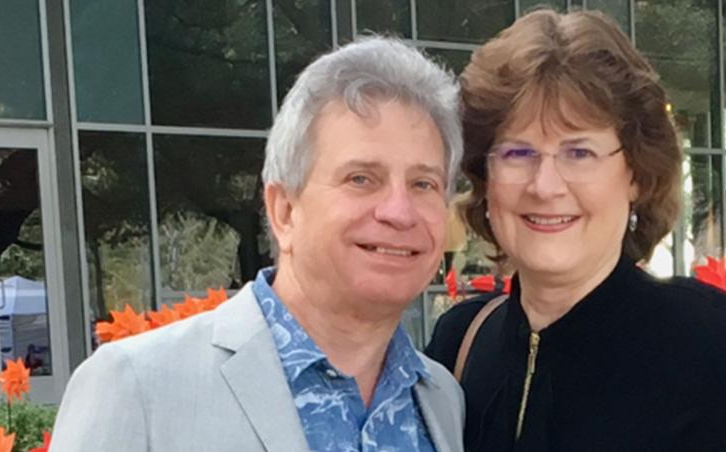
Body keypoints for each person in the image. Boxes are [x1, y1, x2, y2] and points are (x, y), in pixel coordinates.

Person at [51, 37, 466, 451]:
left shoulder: (441, 400)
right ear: (284, 211)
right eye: (361, 179)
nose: (399, 211)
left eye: (423, 184)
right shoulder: (137, 388)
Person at [423, 9, 726, 451]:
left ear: (636, 174)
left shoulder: (701, 345)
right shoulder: (460, 344)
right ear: (484, 176)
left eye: (580, 152)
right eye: (517, 153)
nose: (545, 186)